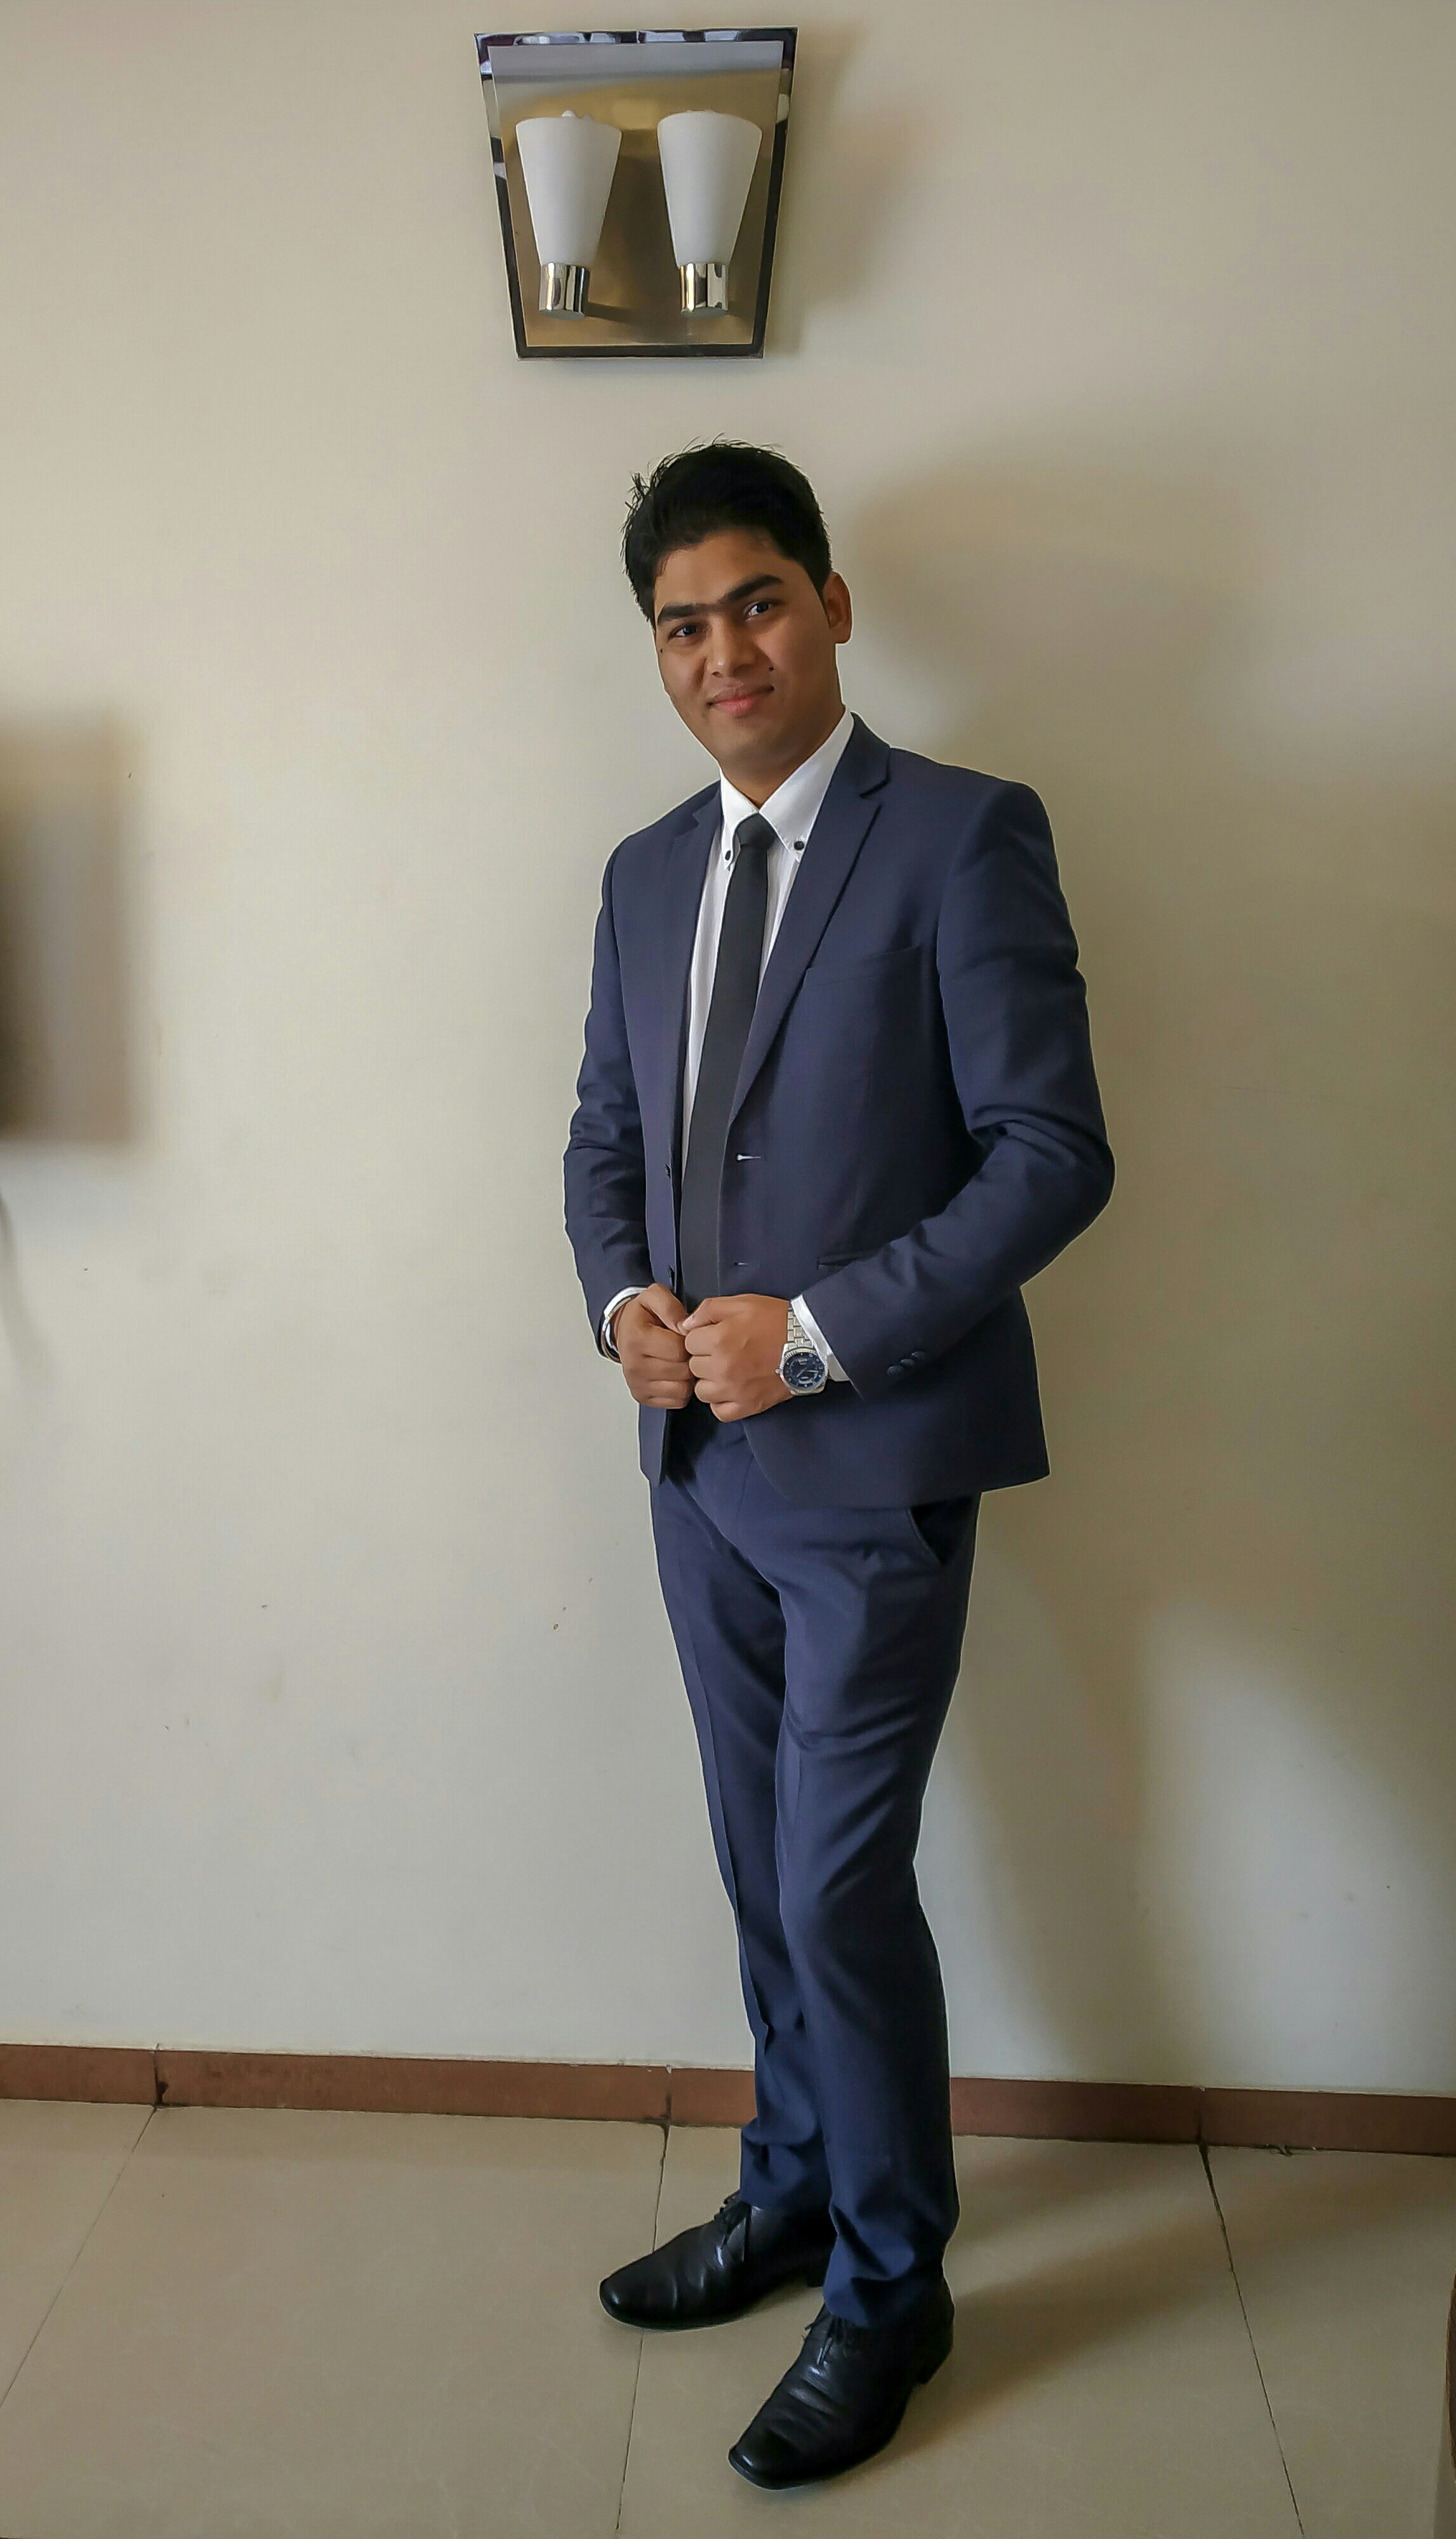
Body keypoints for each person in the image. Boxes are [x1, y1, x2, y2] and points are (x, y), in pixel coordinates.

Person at [564, 442, 1113, 2490]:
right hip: (696, 1479)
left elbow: (1052, 1154)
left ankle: (894, 2281)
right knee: (754, 1862)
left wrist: (804, 1333)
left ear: (833, 606)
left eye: (758, 603)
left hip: (874, 1463)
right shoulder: (640, 875)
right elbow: (603, 1140)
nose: (725, 651)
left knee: (834, 1876)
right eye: (683, 625)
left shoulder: (963, 836)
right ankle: (795, 2187)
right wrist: (623, 1305)